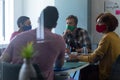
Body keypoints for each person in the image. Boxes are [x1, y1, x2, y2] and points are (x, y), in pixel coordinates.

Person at [0, 6, 66, 80]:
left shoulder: (18, 37)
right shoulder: (59, 40)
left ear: (38, 20)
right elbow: (59, 65)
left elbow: (2, 61)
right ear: (55, 25)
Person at [69, 13, 120, 80]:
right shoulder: (115, 36)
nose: (97, 25)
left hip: (106, 74)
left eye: (99, 23)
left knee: (85, 69)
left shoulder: (106, 38)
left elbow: (93, 59)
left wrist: (76, 57)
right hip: (115, 73)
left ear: (107, 25)